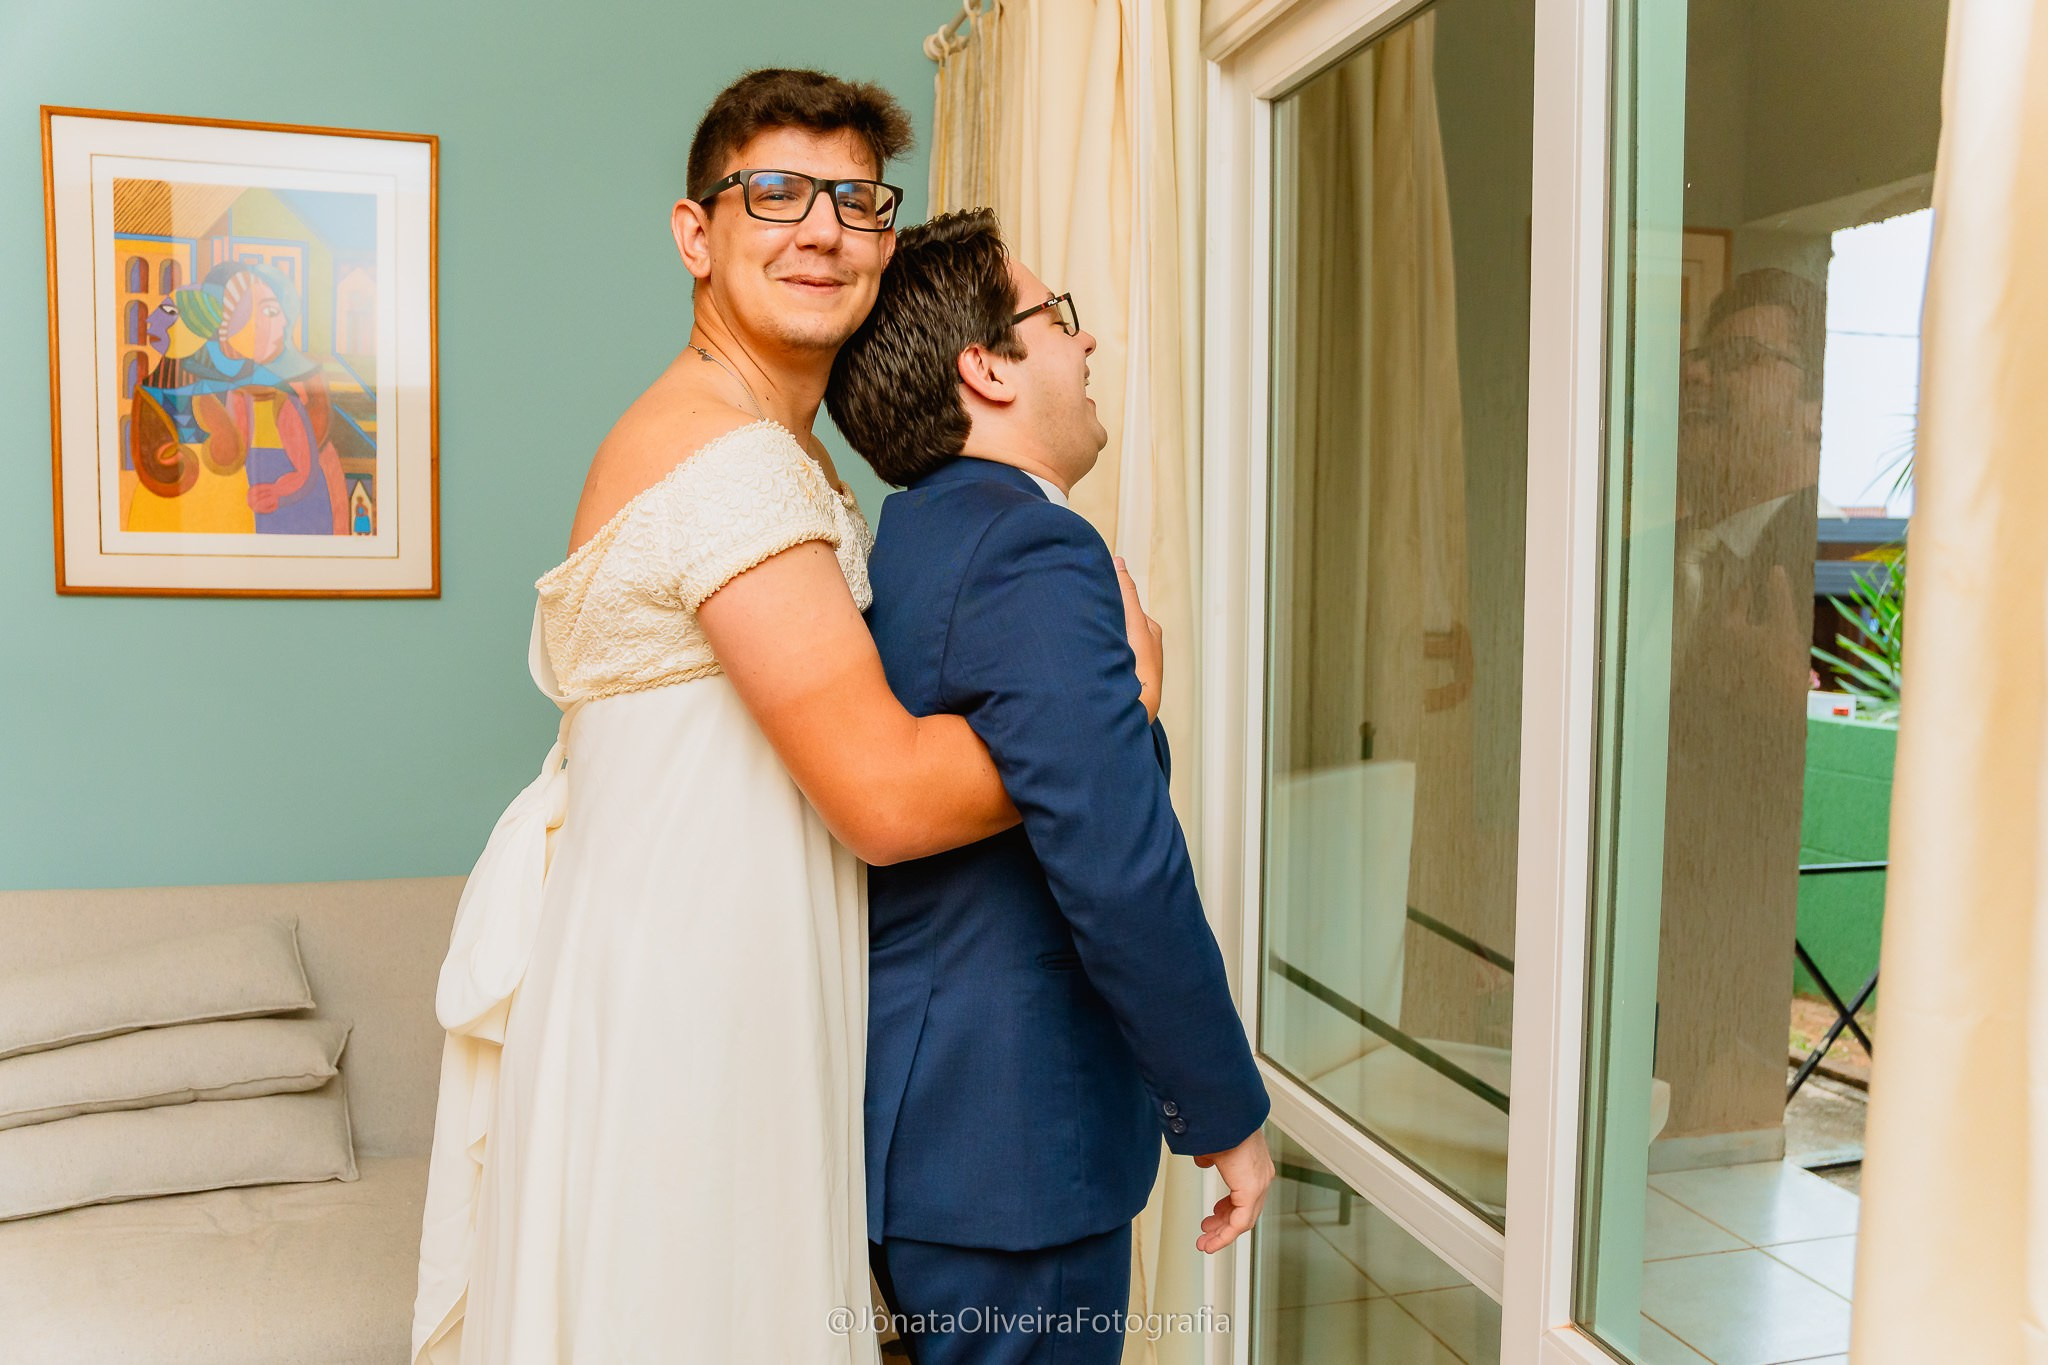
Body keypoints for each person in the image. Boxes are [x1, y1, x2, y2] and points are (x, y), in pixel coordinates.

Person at [409, 72, 1162, 1365]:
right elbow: (887, 796)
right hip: (687, 1011)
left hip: (726, 976)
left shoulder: (790, 453)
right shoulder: (726, 459)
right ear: (696, 234)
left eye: (857, 200)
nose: (821, 229)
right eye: (775, 193)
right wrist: (1116, 705)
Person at [825, 209, 1272, 1364]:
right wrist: (1223, 1110)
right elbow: (1114, 859)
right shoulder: (1028, 548)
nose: (1086, 346)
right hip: (1008, 1150)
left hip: (944, 1133)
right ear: (987, 367)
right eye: (1056, 319)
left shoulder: (915, 537)